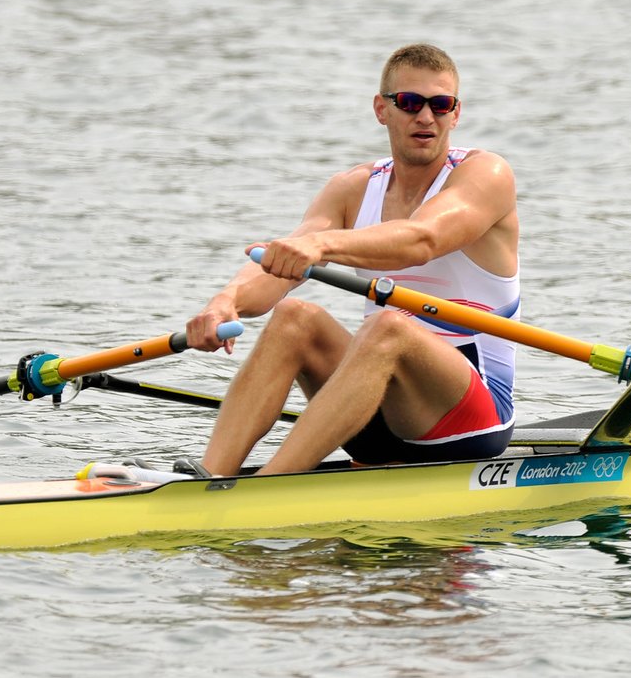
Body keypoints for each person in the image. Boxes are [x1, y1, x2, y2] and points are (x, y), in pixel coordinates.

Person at [185, 43, 520, 476]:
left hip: (471, 417)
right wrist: (225, 301)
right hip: (374, 411)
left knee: (389, 325)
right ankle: (212, 477)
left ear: (456, 114)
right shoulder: (353, 187)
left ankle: (271, 485)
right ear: (382, 109)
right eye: (410, 103)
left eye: (440, 105)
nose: (425, 117)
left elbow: (423, 239)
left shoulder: (486, 174)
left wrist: (324, 247)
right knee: (294, 317)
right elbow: (282, 263)